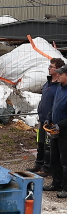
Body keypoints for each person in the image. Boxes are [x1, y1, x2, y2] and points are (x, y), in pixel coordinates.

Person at [31, 57, 65, 174]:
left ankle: (47, 168)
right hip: (43, 118)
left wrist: (51, 118)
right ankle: (38, 164)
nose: (49, 68)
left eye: (51, 66)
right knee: (40, 142)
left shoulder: (59, 87)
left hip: (51, 121)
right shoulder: (48, 82)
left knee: (48, 145)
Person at [45, 67, 67, 196]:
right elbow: (54, 106)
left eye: (61, 74)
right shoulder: (59, 87)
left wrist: (60, 125)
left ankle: (65, 188)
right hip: (56, 130)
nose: (57, 75)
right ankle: (56, 183)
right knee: (55, 159)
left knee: (65, 161)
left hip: (65, 133)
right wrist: (49, 117)